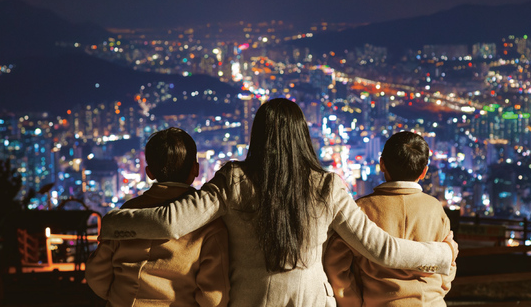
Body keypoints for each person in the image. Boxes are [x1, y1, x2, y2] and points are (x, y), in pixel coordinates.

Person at [99, 99, 457, 307]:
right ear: (303, 135)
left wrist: (112, 222)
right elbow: (383, 250)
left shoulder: (233, 181)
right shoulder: (327, 186)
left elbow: (169, 223)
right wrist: (440, 256)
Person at [85, 127, 230, 307]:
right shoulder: (208, 222)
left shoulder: (128, 211)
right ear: (196, 169)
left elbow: (96, 274)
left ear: (149, 172)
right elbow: (214, 297)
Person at [324, 131, 456, 307]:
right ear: (424, 171)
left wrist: (354, 302)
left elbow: (336, 265)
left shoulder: (360, 210)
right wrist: (436, 293)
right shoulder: (435, 209)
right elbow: (449, 264)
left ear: (382, 165)